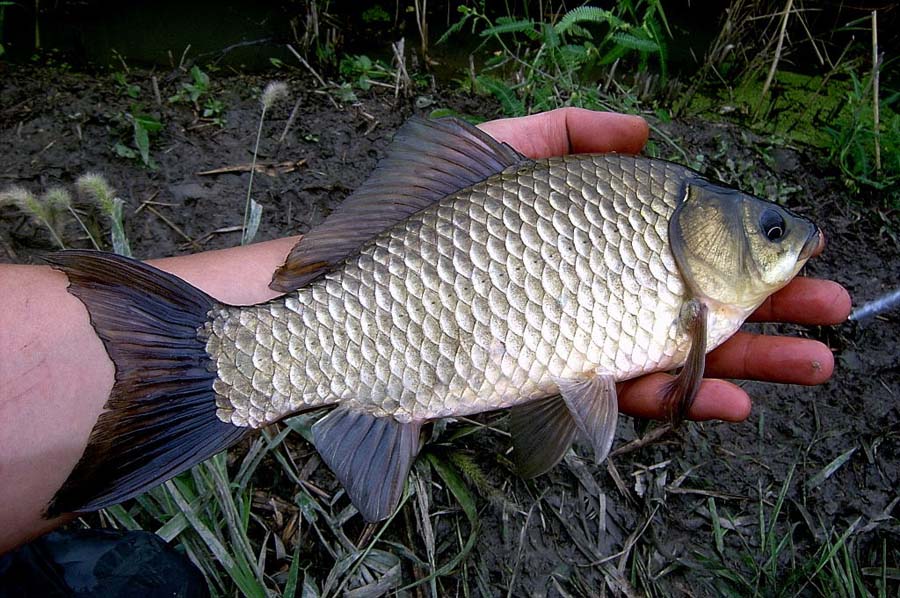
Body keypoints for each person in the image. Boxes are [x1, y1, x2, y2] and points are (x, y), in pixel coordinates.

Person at [0, 108, 851, 554]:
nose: (785, 240)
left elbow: (566, 411)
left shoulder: (687, 283)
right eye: (771, 231)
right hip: (407, 283)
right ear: (698, 228)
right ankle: (212, 368)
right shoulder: (684, 293)